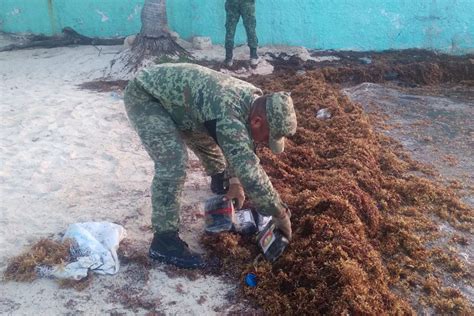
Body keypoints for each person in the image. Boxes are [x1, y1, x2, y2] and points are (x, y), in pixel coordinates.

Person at [123, 63, 296, 269]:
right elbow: (249, 169)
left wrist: (234, 182)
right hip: (146, 96)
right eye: (269, 137)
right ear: (257, 121)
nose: (266, 143)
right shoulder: (228, 112)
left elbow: (239, 143)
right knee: (173, 163)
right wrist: (280, 214)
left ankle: (219, 178)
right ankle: (164, 241)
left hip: (183, 104)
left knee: (206, 137)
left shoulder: (251, 99)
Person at [224, 0, 259, 67]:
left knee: (230, 30)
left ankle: (228, 59)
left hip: (232, 3)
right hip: (247, 3)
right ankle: (253, 57)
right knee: (250, 28)